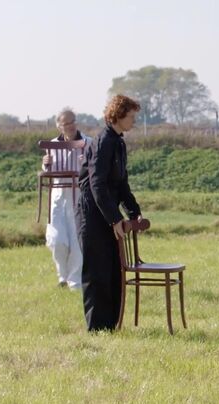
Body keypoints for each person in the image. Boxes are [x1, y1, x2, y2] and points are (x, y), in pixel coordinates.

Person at [76, 95, 143, 331]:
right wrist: (115, 218)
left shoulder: (119, 142)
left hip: (108, 210)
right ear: (119, 115)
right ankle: (96, 327)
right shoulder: (103, 141)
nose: (134, 121)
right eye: (131, 116)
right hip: (92, 214)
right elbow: (97, 185)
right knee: (97, 270)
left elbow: (121, 183)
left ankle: (111, 324)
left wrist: (134, 212)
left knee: (113, 269)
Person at [42, 108, 91, 290]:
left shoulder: (88, 143)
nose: (70, 126)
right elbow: (48, 171)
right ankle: (62, 275)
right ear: (59, 126)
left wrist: (85, 162)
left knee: (78, 241)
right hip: (59, 198)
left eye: (72, 122)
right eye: (66, 124)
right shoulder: (52, 145)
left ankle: (75, 280)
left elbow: (95, 170)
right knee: (57, 239)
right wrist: (46, 163)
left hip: (79, 197)